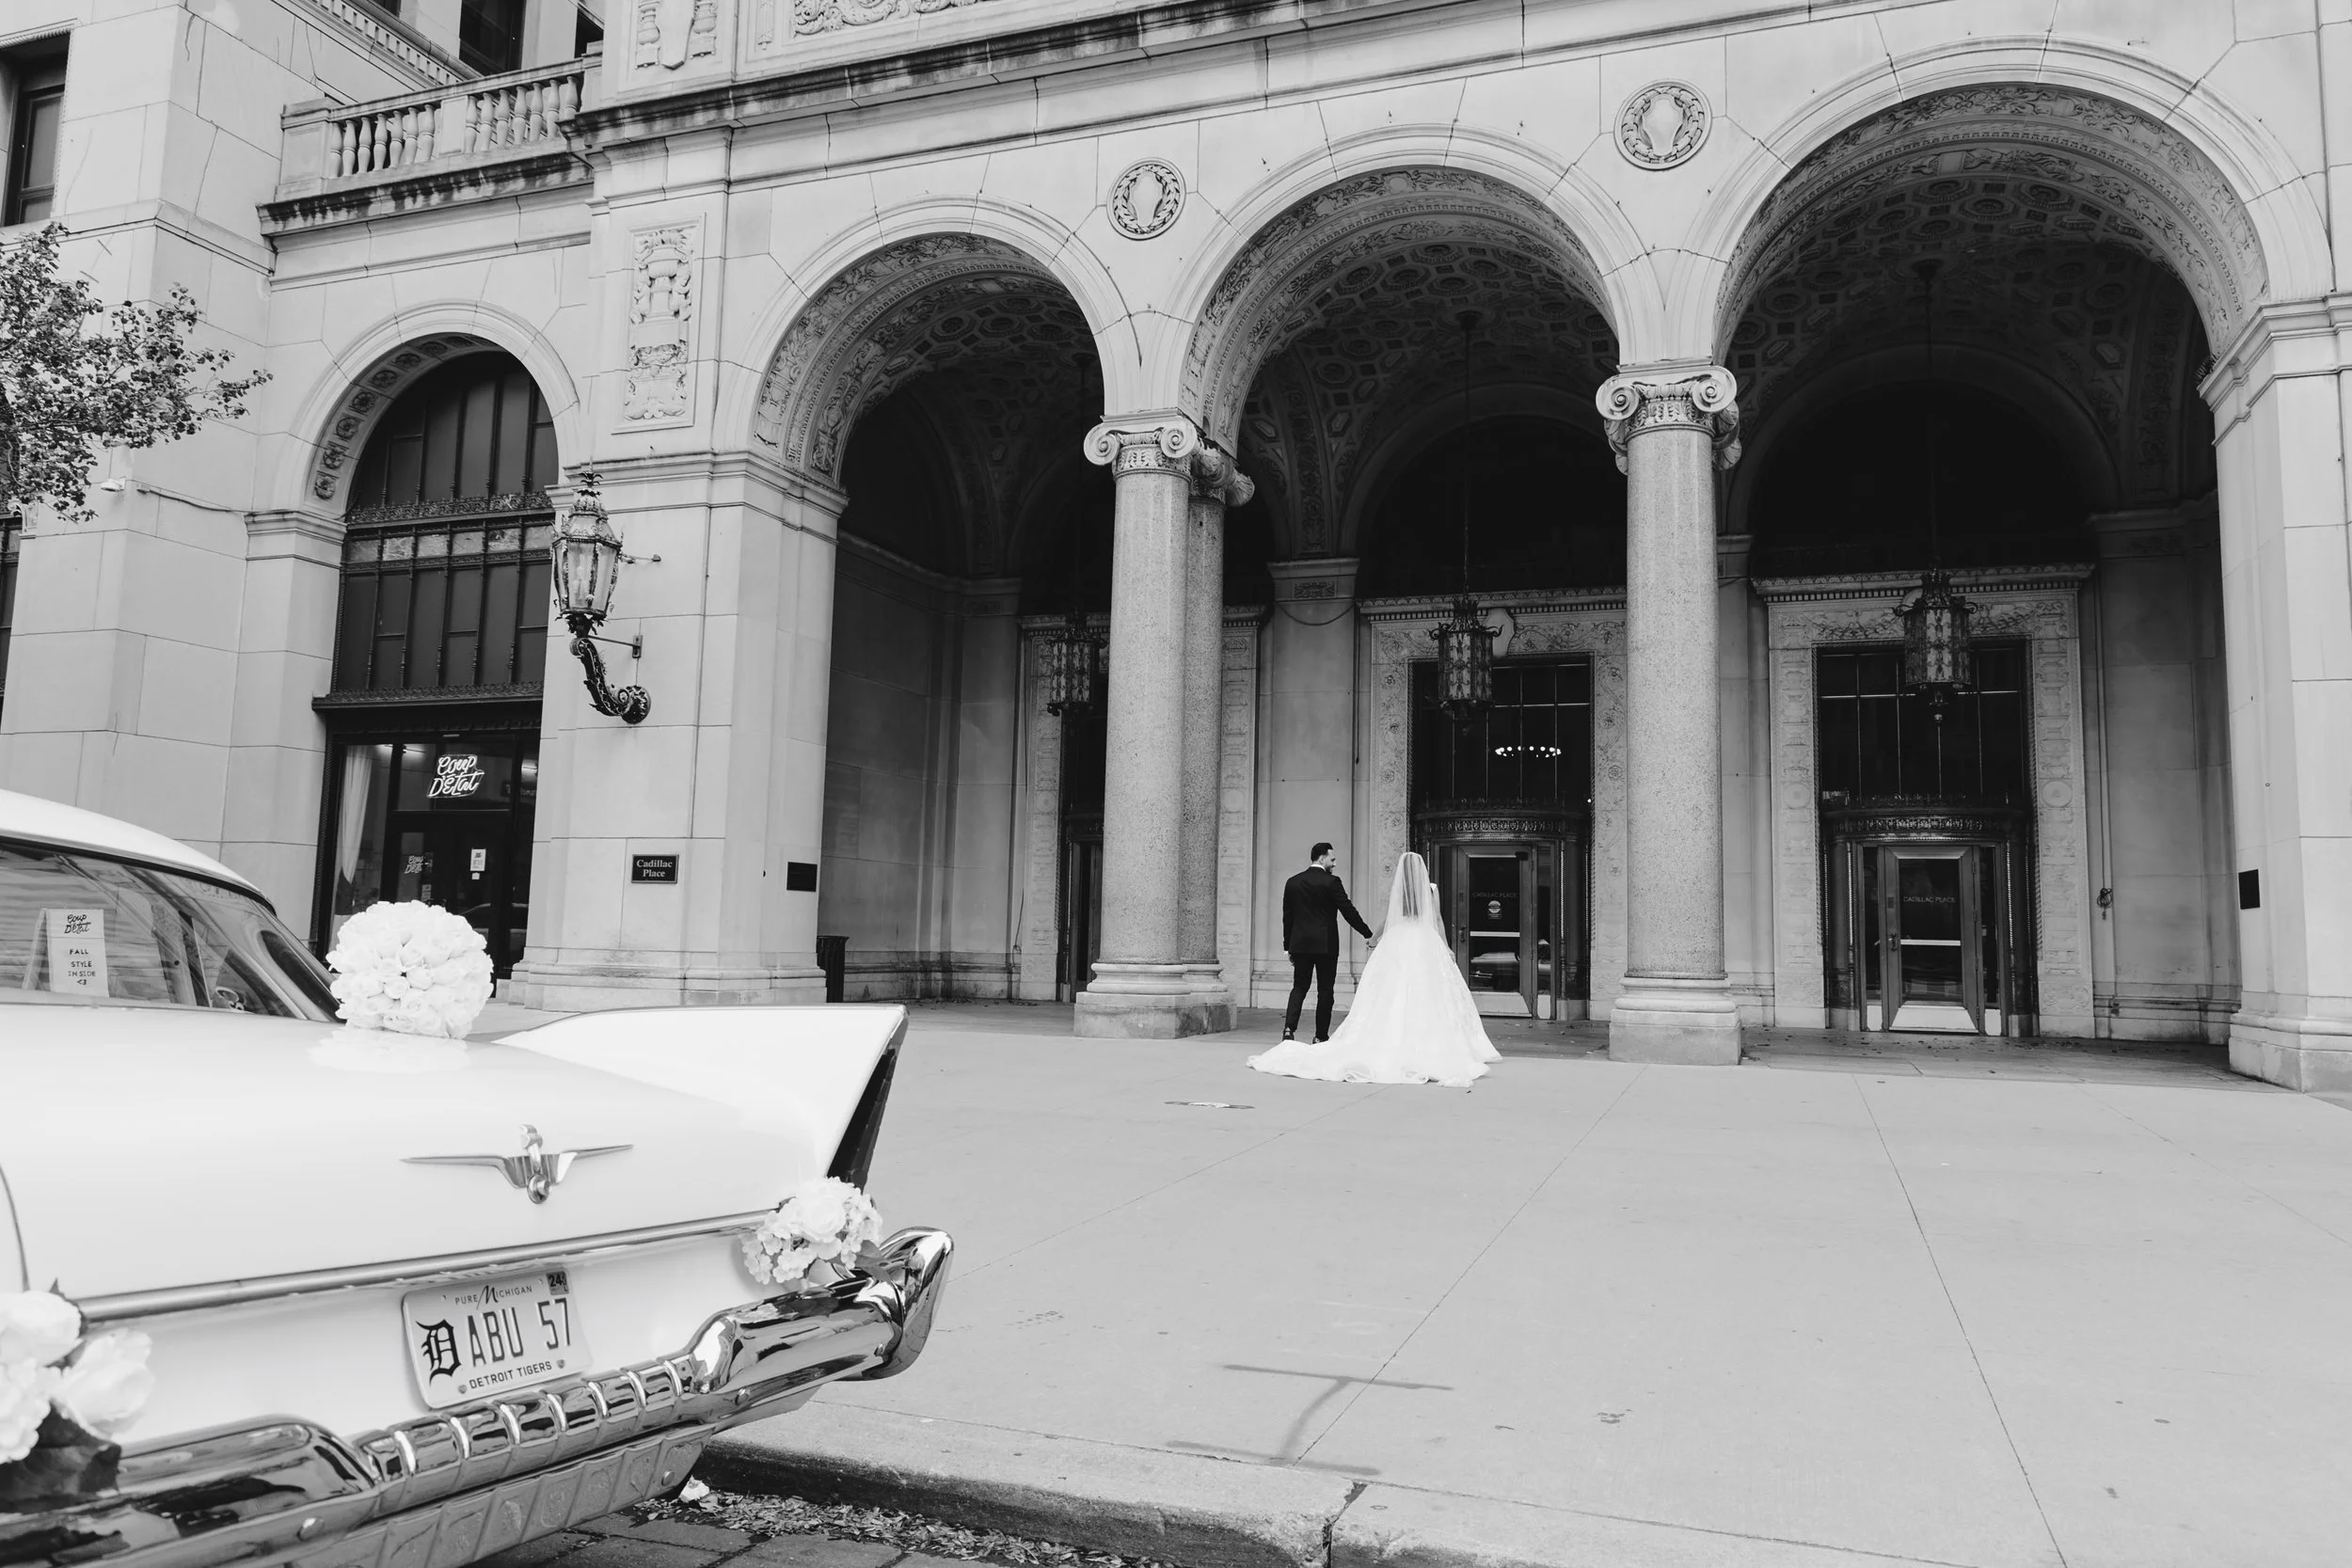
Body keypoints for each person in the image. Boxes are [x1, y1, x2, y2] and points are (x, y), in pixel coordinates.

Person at [1249, 850, 1499, 1087]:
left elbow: (1388, 920)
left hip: (1397, 940)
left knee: (1389, 988)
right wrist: (1445, 947)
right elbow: (1437, 920)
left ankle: (1293, 1029)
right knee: (1426, 988)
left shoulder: (1398, 890)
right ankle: (1326, 1034)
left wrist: (1374, 938)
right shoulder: (1430, 889)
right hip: (1424, 941)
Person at [1277, 842, 1374, 1043]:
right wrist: (1367, 933)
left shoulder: (1292, 882)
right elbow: (1348, 911)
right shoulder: (1331, 882)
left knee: (1299, 987)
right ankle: (1320, 1036)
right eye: (1332, 859)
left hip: (1300, 945)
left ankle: (1288, 1029)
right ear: (1321, 858)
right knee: (1325, 990)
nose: (1335, 863)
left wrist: (1288, 947)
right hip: (1326, 946)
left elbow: (1288, 917)